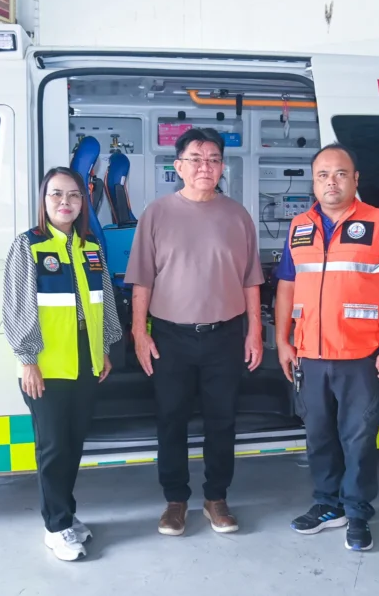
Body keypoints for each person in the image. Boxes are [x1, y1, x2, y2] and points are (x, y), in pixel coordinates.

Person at [273, 143, 379, 552]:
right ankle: (327, 505)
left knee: (358, 439)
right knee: (318, 437)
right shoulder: (299, 225)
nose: (330, 182)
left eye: (339, 174)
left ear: (355, 179)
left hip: (362, 355)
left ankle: (357, 512)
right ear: (313, 182)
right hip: (310, 355)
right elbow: (286, 286)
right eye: (322, 175)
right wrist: (282, 340)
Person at [124, 127, 264, 537]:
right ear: (179, 166)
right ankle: (175, 501)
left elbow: (251, 281)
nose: (206, 166)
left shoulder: (237, 216)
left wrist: (255, 332)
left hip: (225, 335)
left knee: (222, 419)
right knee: (171, 419)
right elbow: (142, 280)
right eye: (196, 159)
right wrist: (139, 332)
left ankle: (216, 498)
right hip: (171, 338)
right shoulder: (156, 214)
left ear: (222, 167)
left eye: (214, 159)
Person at [2, 167, 123, 561]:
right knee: (53, 447)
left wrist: (103, 348)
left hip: (86, 359)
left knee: (72, 444)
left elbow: (103, 300)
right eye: (56, 194)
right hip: (46, 364)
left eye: (73, 195)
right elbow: (17, 307)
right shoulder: (29, 245)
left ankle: (65, 516)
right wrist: (27, 360)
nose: (65, 202)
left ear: (83, 201)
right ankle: (55, 527)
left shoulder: (90, 246)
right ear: (44, 199)